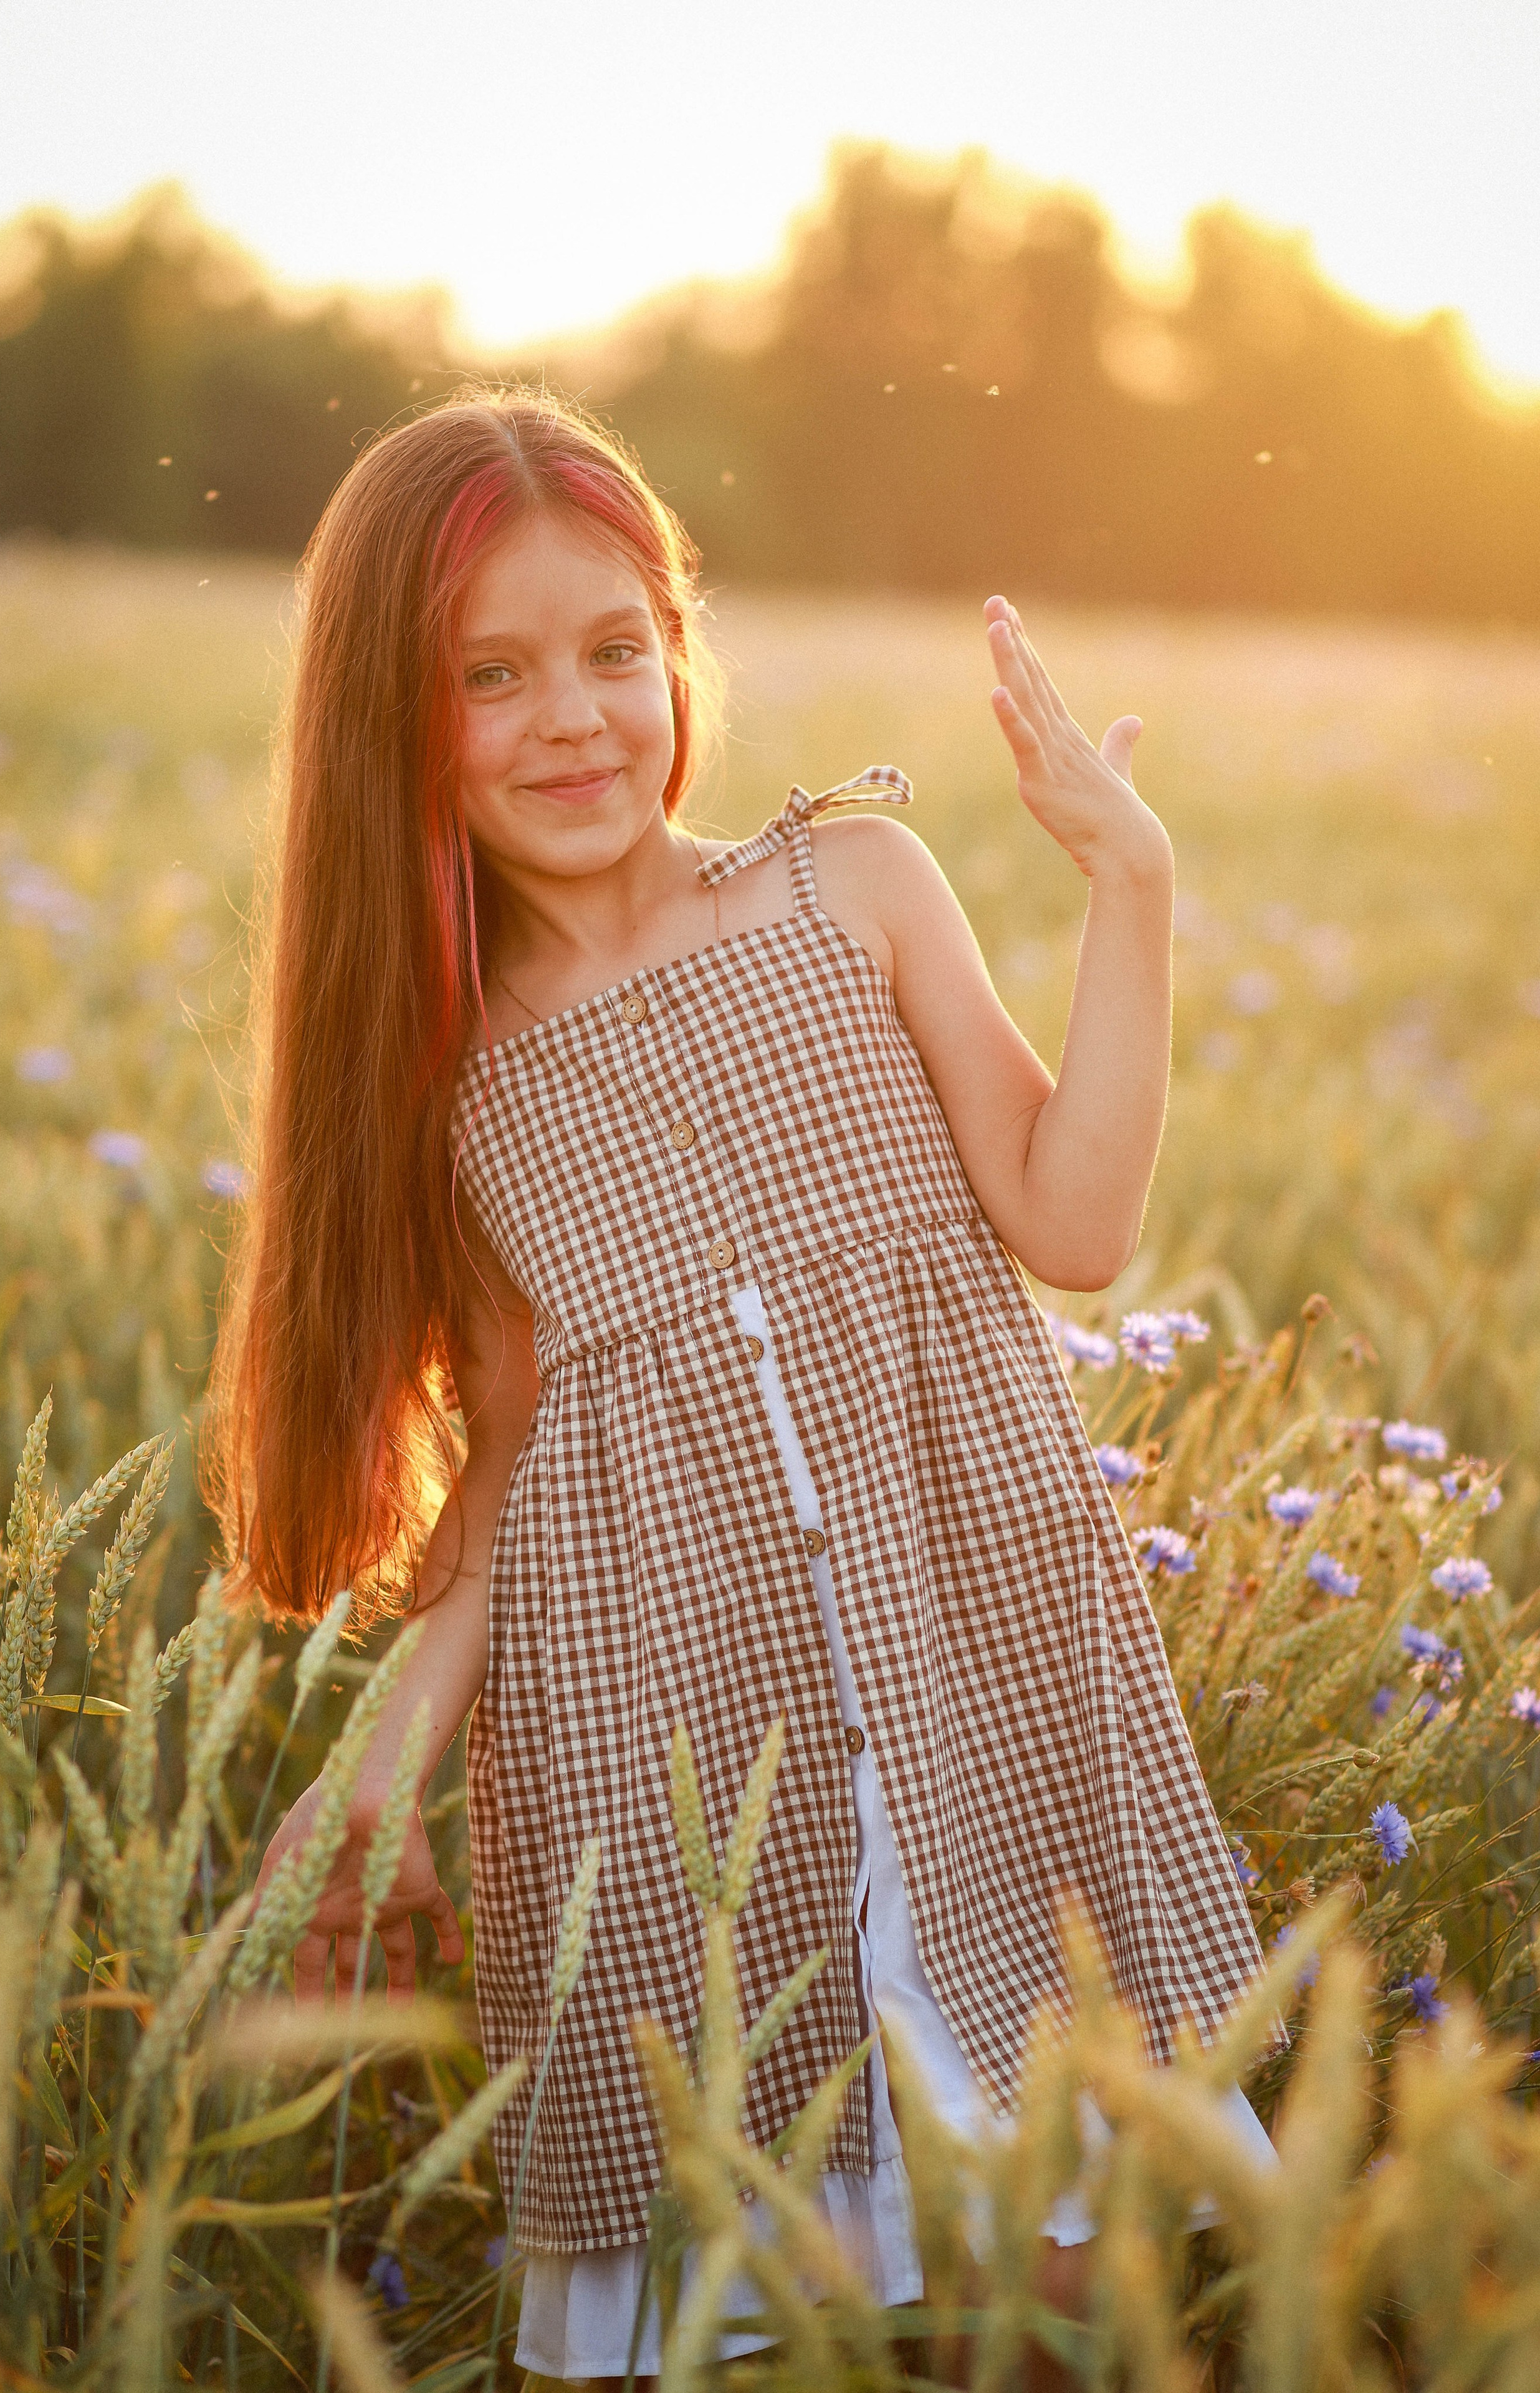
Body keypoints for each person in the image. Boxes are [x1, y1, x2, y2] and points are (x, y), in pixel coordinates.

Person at [210, 389, 1273, 2389]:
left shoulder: (848, 889)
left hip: (972, 1681)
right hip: (673, 1752)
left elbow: (1077, 1217)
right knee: (752, 2296)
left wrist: (1128, 889)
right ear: (391, 721)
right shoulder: (452, 1082)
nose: (574, 718)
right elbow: (510, 1465)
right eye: (492, 676)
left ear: (677, 648)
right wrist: (374, 1778)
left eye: (617, 650)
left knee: (1043, 2292)